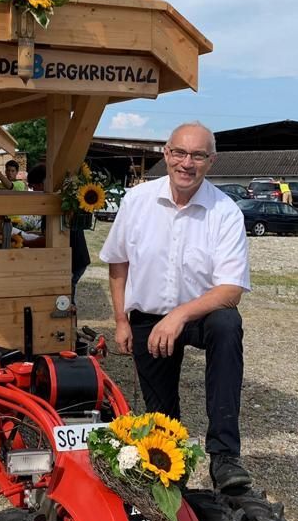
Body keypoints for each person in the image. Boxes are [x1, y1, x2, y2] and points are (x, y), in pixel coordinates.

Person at [99, 122, 252, 492]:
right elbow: (118, 262)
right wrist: (121, 320)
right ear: (166, 154)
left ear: (211, 161)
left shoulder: (225, 211)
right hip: (149, 318)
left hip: (199, 315)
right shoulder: (137, 201)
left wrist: (180, 315)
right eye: (180, 153)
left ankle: (224, 455)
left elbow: (231, 289)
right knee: (162, 418)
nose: (187, 163)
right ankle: (172, 479)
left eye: (198, 155)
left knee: (227, 325)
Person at [25, 163, 90, 303]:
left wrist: (24, 242)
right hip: (75, 259)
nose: (33, 191)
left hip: (74, 261)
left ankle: (71, 315)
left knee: (65, 299)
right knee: (64, 296)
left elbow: (50, 239)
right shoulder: (55, 200)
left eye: (34, 187)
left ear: (43, 184)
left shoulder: (56, 204)